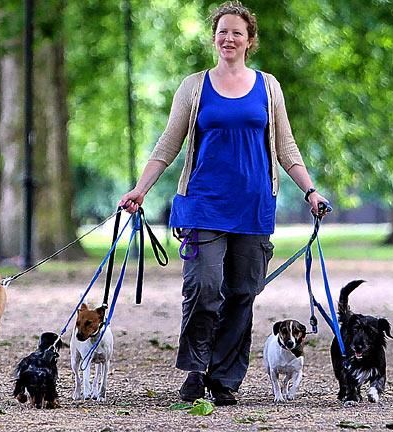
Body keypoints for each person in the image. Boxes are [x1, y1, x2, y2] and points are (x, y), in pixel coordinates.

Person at [119, 0, 329, 406]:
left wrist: (310, 190)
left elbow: (286, 147)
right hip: (203, 203)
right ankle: (196, 370)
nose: (228, 38)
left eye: (237, 32)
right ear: (213, 38)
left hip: (253, 206)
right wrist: (140, 188)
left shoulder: (268, 87)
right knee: (204, 286)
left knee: (242, 292)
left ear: (250, 40)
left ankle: (226, 378)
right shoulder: (193, 87)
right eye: (222, 31)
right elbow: (168, 144)